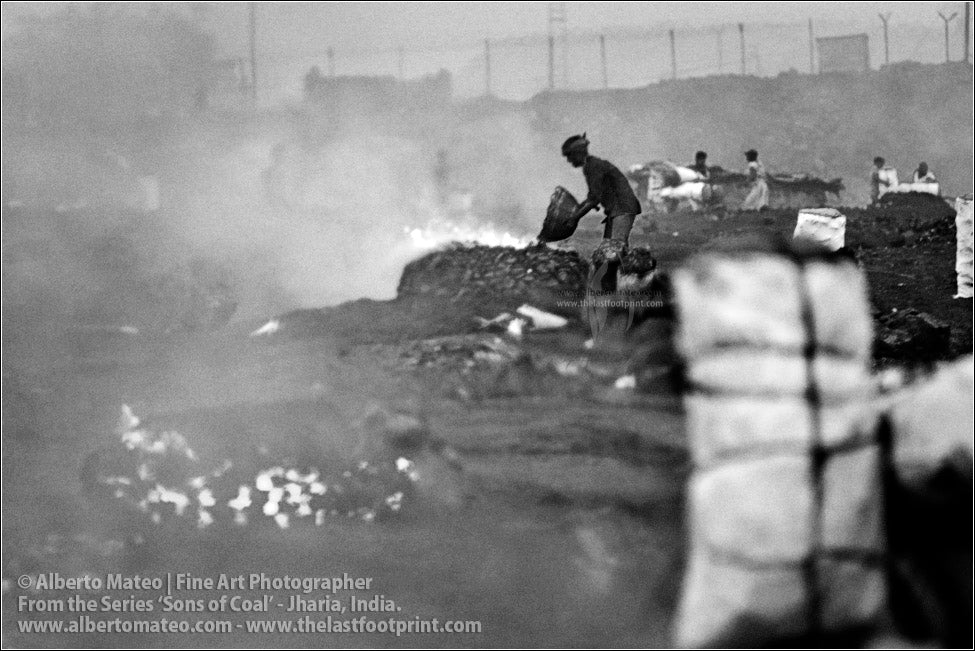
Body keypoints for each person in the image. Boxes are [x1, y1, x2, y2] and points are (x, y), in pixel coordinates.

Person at [561, 133, 641, 245]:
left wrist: (575, 217)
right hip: (619, 209)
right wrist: (576, 212)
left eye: (570, 156)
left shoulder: (593, 166)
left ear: (578, 153)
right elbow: (592, 196)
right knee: (610, 250)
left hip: (622, 208)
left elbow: (594, 199)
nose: (569, 160)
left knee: (614, 250)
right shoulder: (592, 165)